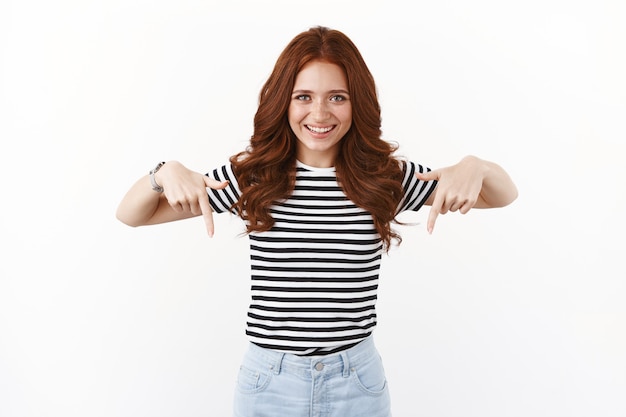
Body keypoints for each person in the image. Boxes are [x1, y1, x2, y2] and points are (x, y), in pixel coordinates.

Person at [116, 26, 517, 417]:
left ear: (357, 102)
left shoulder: (385, 179)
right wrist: (162, 173)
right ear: (283, 103)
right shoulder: (253, 179)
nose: (320, 113)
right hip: (270, 384)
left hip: (357, 384)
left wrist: (475, 166)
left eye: (337, 97)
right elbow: (132, 214)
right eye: (303, 96)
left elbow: (503, 195)